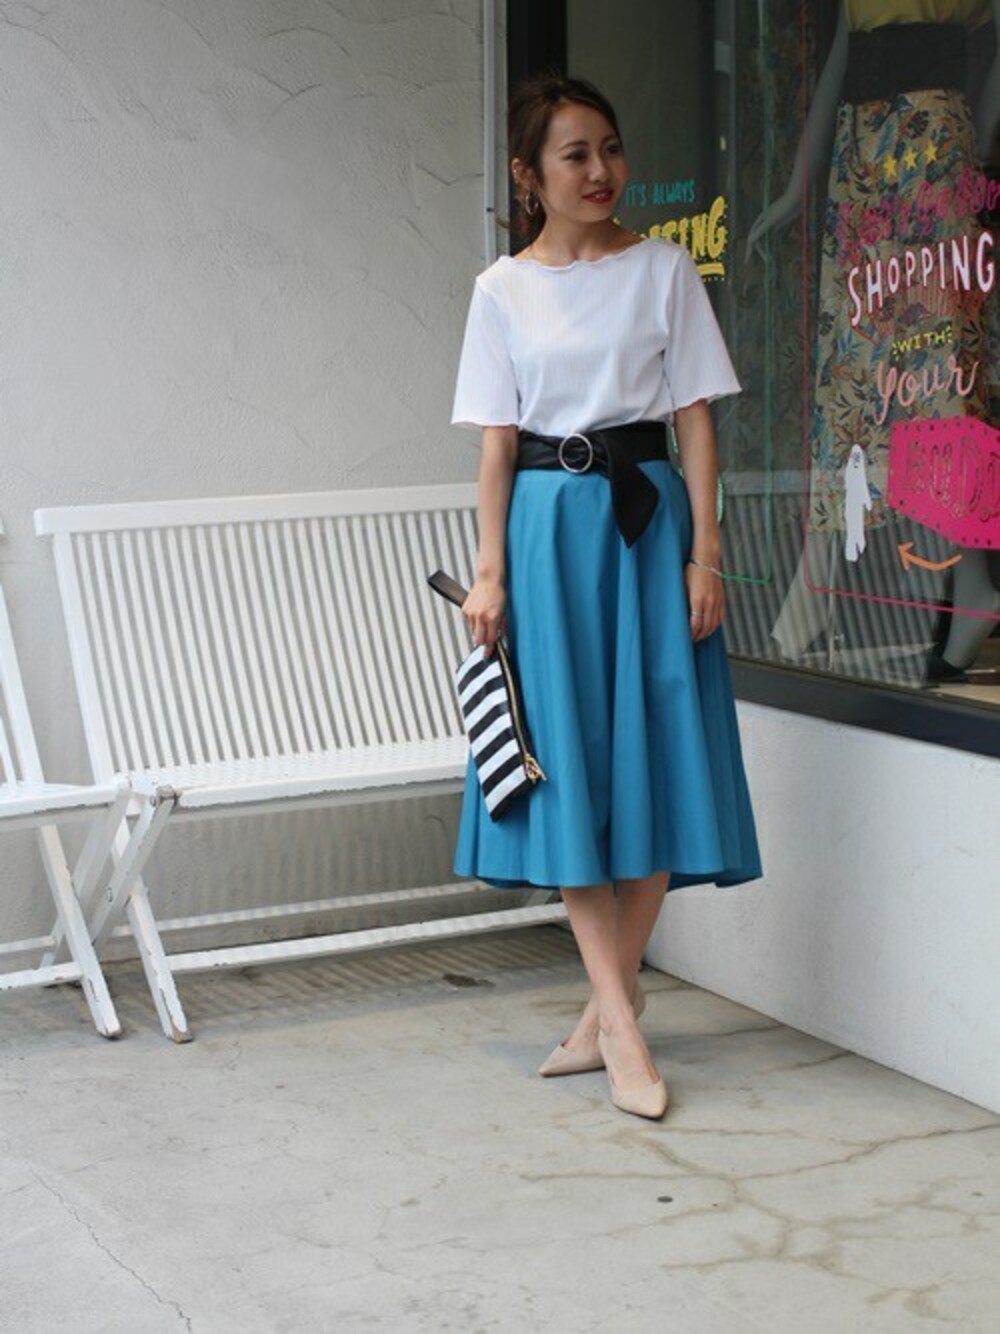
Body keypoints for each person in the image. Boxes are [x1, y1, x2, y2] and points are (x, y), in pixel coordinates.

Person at [449, 73, 763, 1120]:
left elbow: (695, 418)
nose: (600, 171)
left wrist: (705, 552)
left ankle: (604, 1012)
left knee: (661, 754)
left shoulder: (664, 269)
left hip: (648, 526)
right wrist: (489, 570)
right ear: (528, 175)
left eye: (610, 148)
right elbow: (497, 444)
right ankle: (622, 1026)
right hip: (547, 536)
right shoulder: (500, 289)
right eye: (575, 154)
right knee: (570, 767)